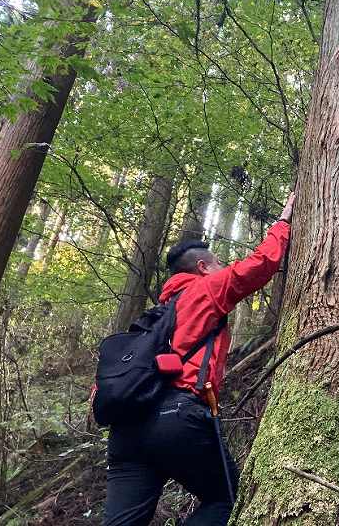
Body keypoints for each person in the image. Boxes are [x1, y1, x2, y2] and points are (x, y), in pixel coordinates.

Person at [103, 193, 294, 526]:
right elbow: (261, 264)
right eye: (218, 263)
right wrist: (282, 223)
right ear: (204, 267)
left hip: (125, 431)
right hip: (177, 416)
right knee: (228, 500)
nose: (222, 267)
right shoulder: (204, 289)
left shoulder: (153, 317)